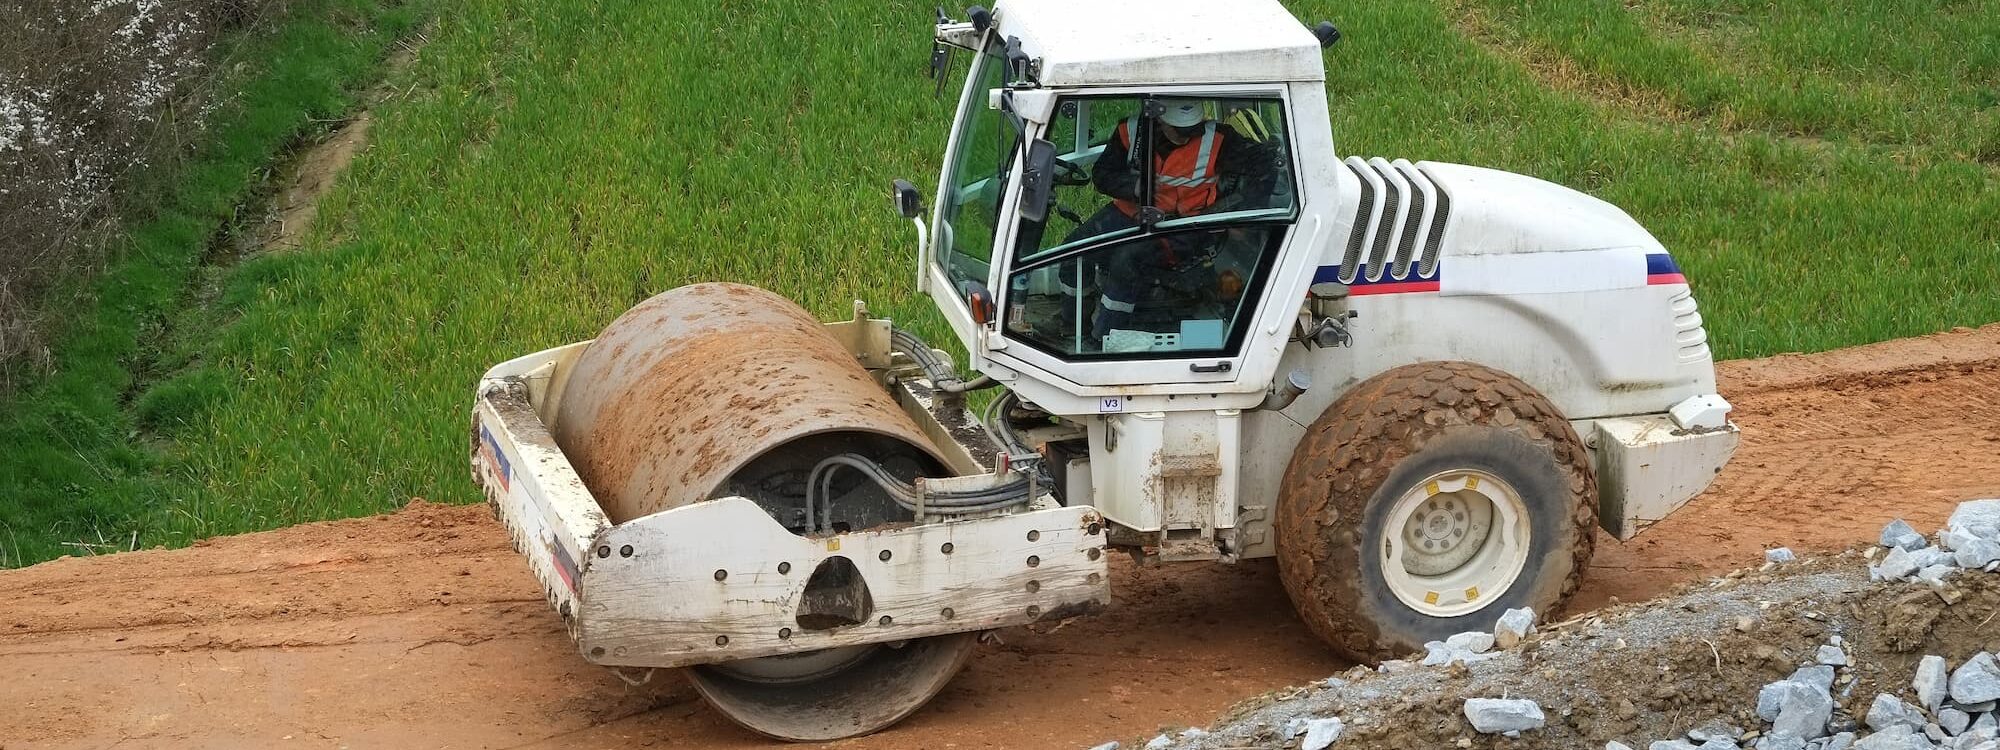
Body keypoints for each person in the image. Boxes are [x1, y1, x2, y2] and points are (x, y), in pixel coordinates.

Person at [1065, 99, 1276, 343]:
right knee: (1073, 248)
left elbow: (1265, 165)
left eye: (1192, 131)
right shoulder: (1130, 132)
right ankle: (1071, 324)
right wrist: (1133, 187)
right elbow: (1102, 175)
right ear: (1159, 121)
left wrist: (1244, 213)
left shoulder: (1220, 140)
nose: (1186, 138)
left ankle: (1107, 338)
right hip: (1129, 211)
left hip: (1184, 227)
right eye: (1180, 131)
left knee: (1126, 260)